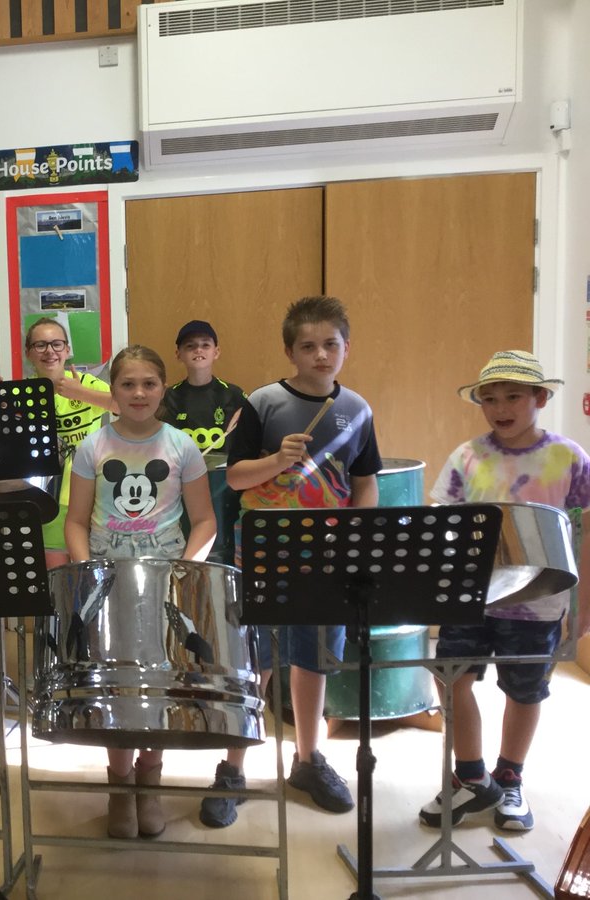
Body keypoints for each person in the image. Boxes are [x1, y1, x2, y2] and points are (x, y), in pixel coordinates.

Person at [214, 295, 381, 828]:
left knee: (314, 659)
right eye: (307, 346)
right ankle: (233, 768)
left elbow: (366, 483)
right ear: (290, 350)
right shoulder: (263, 402)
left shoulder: (357, 410)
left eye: (330, 344)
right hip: (261, 553)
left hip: (327, 557)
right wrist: (275, 460)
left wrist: (355, 538)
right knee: (254, 661)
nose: (320, 355)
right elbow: (235, 478)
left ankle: (308, 761)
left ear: (346, 348)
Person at [417, 350, 590, 833]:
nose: (501, 407)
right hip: (470, 594)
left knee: (525, 688)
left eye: (514, 396)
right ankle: (470, 777)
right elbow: (443, 522)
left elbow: (587, 533)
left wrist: (585, 607)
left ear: (541, 397)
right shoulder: (468, 456)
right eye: (489, 399)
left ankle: (509, 776)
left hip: (537, 601)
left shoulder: (569, 458)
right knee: (452, 678)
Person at [65, 344, 217, 839]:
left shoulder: (181, 446)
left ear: (162, 389)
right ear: (113, 390)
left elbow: (205, 521)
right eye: (127, 384)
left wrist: (184, 572)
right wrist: (86, 569)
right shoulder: (93, 448)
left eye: (148, 383)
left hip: (164, 580)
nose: (138, 393)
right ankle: (120, 783)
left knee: (159, 684)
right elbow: (75, 520)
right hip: (109, 580)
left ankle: (150, 781)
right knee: (118, 685)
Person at [24, 317, 118, 569]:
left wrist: (79, 393)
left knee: (91, 575)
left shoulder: (86, 382)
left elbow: (125, 405)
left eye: (56, 344)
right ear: (28, 353)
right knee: (55, 578)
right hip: (47, 497)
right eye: (40, 345)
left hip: (91, 494)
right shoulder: (21, 392)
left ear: (67, 350)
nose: (49, 351)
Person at [160, 320, 246, 455]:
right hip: (181, 471)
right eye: (190, 346)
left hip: (224, 473)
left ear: (216, 352)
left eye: (205, 345)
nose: (198, 350)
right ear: (178, 354)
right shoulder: (169, 396)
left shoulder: (233, 394)